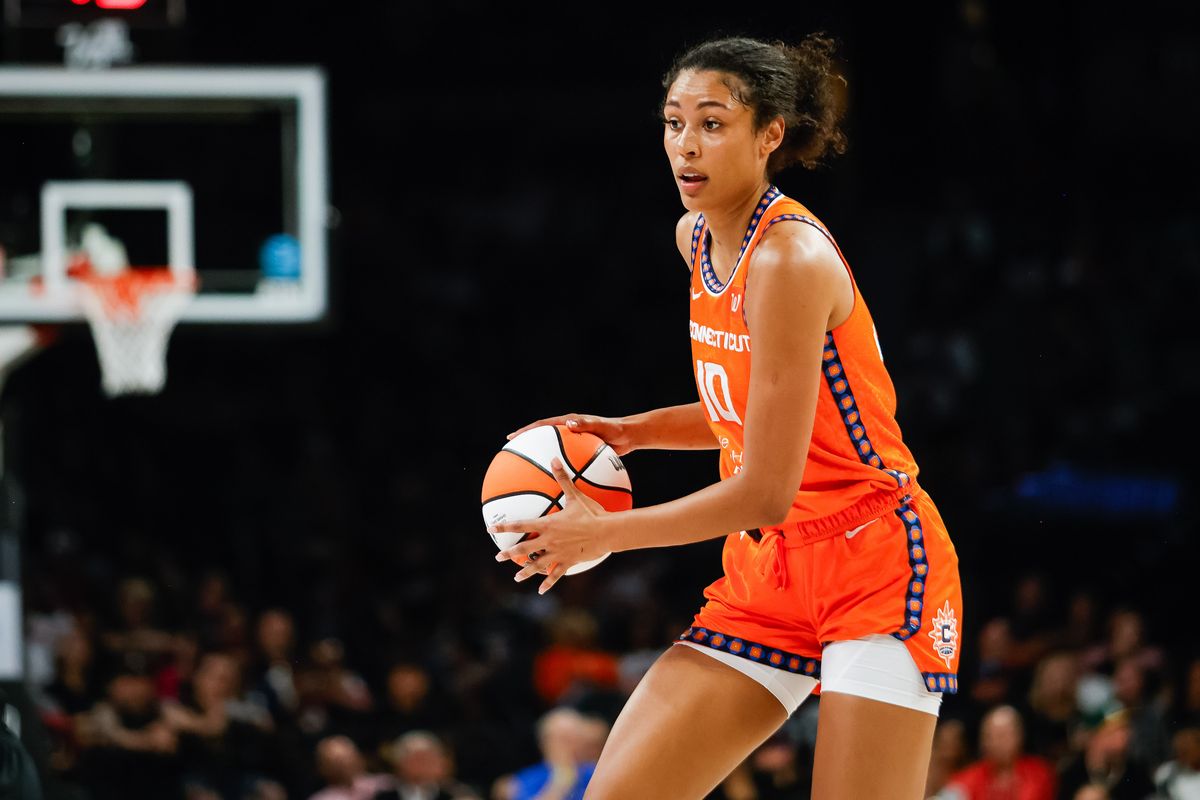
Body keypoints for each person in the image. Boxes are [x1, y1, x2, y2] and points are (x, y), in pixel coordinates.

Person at [491, 33, 963, 799]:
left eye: (713, 123)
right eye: (674, 122)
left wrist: (602, 533)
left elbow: (763, 487)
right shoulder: (698, 237)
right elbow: (742, 412)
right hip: (769, 569)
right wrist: (633, 432)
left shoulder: (787, 259)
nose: (686, 144)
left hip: (870, 560)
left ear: (769, 134)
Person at [941, 705, 1056, 800]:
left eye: (1002, 736)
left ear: (1019, 736)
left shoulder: (1040, 774)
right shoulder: (966, 779)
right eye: (989, 736)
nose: (995, 743)